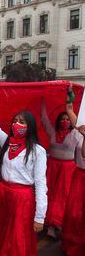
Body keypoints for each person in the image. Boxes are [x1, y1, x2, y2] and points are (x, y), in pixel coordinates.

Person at [0, 86, 47, 256]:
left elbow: (41, 184)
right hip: (2, 193)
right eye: (15, 120)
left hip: (22, 199)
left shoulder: (37, 151)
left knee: (17, 239)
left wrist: (40, 217)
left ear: (30, 126)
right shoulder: (6, 141)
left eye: (22, 121)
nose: (17, 124)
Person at [41, 87, 79, 238]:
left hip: (68, 169)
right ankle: (49, 224)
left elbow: (74, 116)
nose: (65, 121)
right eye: (62, 119)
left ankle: (59, 222)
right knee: (49, 193)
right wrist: (42, 99)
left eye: (67, 119)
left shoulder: (76, 133)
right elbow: (44, 118)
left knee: (63, 196)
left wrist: (69, 99)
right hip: (52, 167)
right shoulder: (53, 132)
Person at [61, 91, 85, 255]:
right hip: (79, 177)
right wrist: (70, 97)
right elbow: (69, 109)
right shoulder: (82, 127)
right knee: (75, 213)